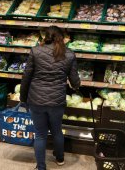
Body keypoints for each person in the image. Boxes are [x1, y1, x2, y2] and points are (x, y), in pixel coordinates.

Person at [20, 26, 80, 170]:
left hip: (36, 100)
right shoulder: (69, 54)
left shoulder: (35, 51)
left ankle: (41, 167)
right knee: (57, 131)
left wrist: (23, 98)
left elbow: (26, 78)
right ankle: (60, 158)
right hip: (57, 101)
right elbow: (75, 82)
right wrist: (76, 85)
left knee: (40, 135)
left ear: (45, 36)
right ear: (62, 37)